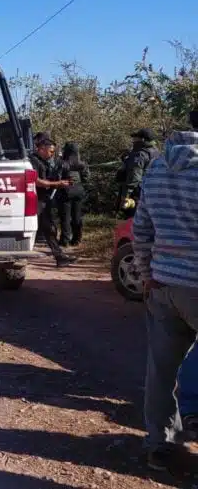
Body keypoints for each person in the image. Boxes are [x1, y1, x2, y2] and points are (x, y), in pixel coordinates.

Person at [133, 108, 198, 471]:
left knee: (161, 371)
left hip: (163, 284)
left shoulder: (157, 168)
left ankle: (160, 446)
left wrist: (147, 273)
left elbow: (141, 228)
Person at [27, 136, 77, 267]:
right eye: (51, 151)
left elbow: (50, 178)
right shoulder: (32, 161)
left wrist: (62, 181)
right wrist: (58, 183)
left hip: (44, 200)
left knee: (49, 228)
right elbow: (37, 181)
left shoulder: (47, 161)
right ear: (41, 149)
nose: (52, 154)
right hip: (35, 200)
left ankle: (60, 257)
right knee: (38, 228)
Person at [116, 128, 160, 216]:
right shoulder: (156, 151)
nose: (133, 140)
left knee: (131, 218)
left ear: (142, 139)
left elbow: (134, 175)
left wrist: (126, 195)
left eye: (136, 137)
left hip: (136, 192)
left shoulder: (140, 154)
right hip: (153, 190)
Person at [56, 141, 90, 247]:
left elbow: (57, 176)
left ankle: (65, 240)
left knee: (65, 216)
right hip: (79, 190)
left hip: (66, 190)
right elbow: (86, 177)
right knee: (77, 216)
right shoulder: (82, 163)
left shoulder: (62, 163)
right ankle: (76, 239)